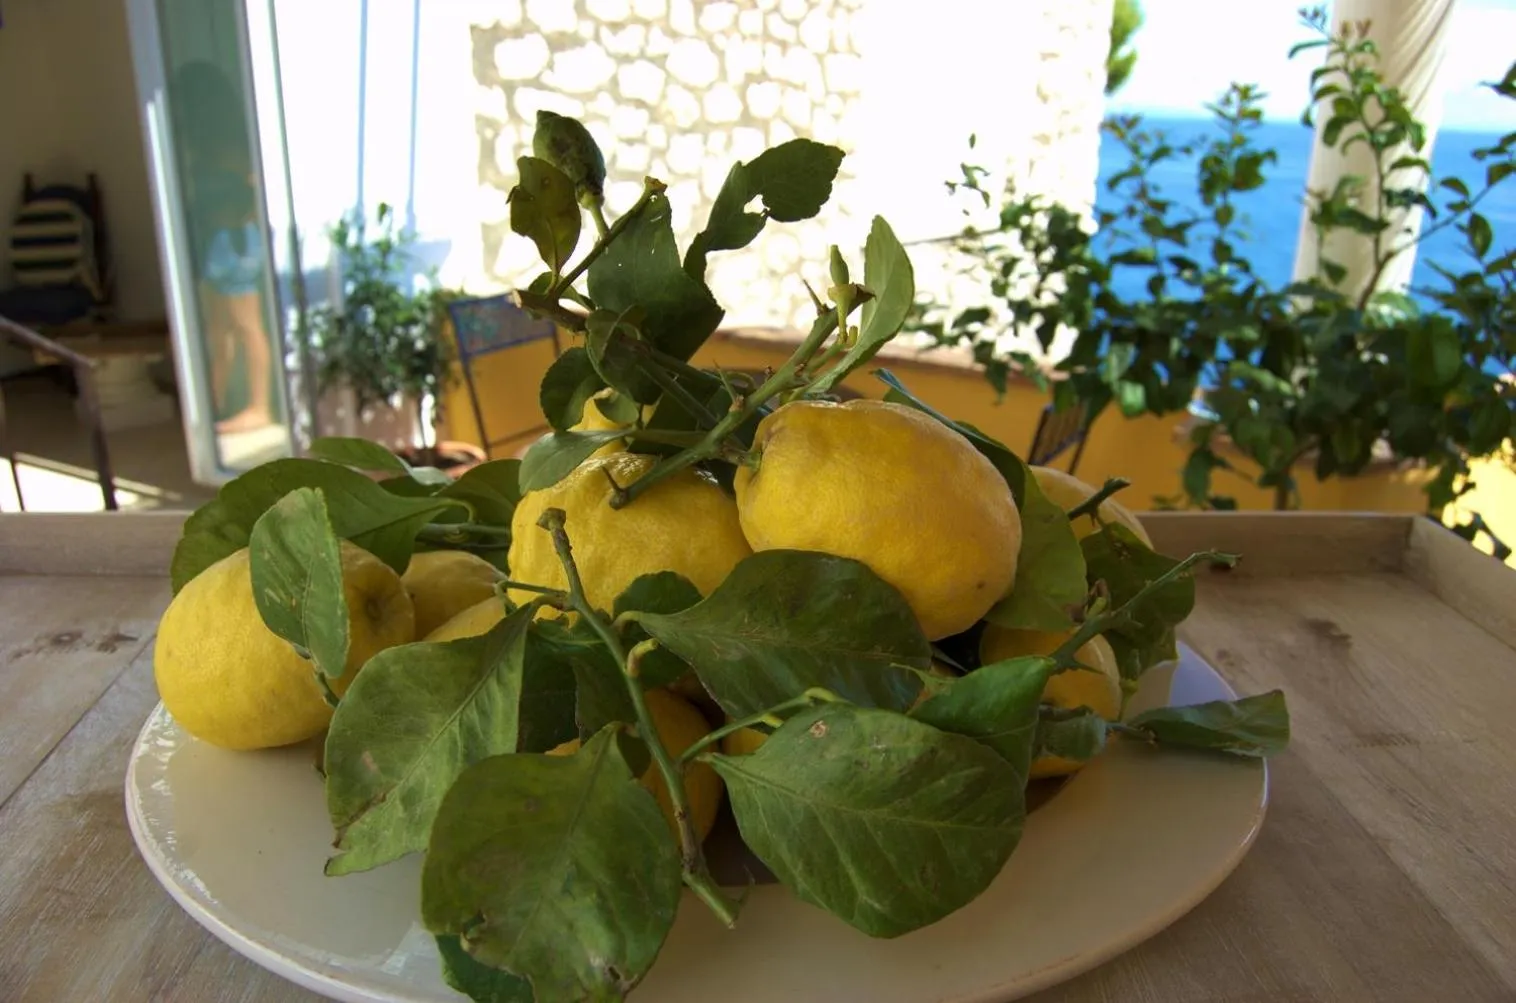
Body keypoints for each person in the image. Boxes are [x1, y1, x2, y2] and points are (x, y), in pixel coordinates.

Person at [168, 61, 276, 434]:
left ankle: (259, 407)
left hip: (235, 240)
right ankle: (213, 407)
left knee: (246, 325)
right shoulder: (203, 145)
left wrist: (242, 216)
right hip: (216, 242)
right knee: (219, 330)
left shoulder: (233, 145)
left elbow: (257, 189)